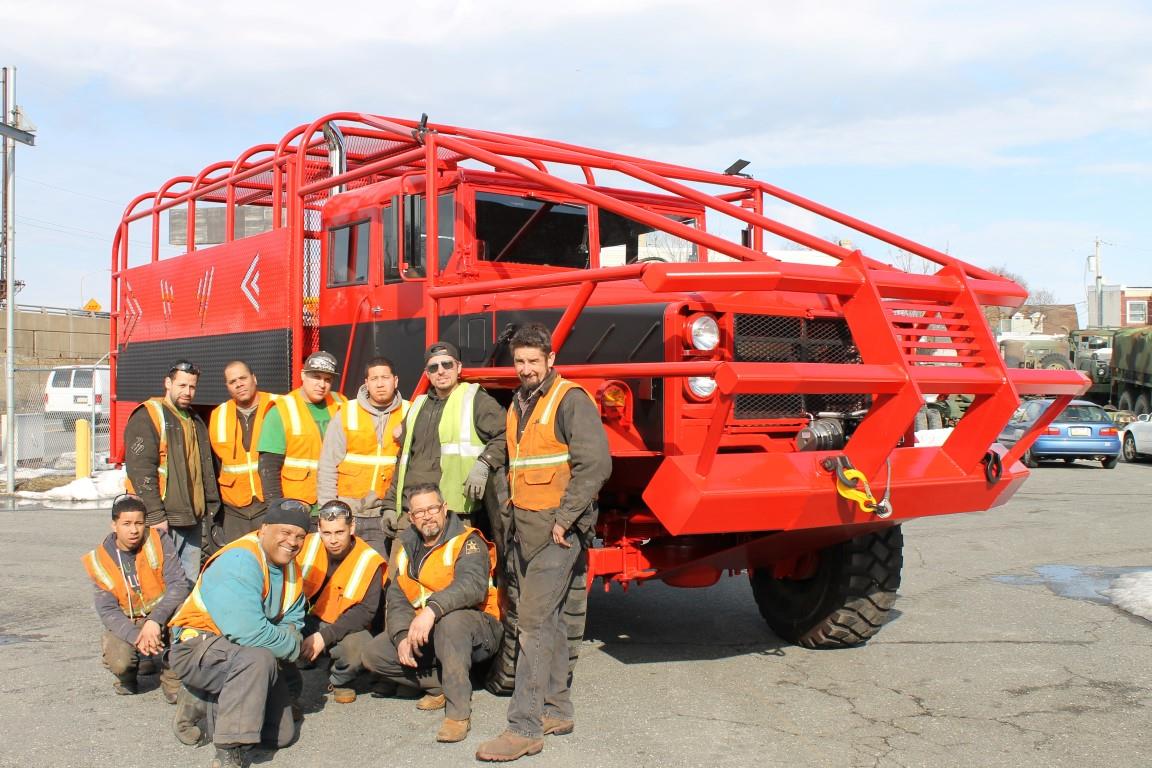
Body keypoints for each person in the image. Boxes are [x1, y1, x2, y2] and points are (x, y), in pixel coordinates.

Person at [476, 324, 611, 762]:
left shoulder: (569, 399)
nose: (527, 368)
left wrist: (566, 519)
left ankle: (525, 726)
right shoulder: (519, 402)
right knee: (548, 622)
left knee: (531, 625)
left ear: (550, 360)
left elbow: (596, 464)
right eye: (520, 362)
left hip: (557, 531)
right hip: (527, 530)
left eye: (535, 361)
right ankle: (555, 707)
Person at [167, 498, 309, 768]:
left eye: (300, 536)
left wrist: (289, 638)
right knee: (259, 659)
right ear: (264, 528)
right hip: (198, 649)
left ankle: (206, 700)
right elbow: (249, 633)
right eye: (285, 532)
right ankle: (229, 748)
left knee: (280, 736)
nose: (292, 542)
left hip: (242, 653)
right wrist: (291, 647)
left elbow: (295, 619)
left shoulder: (291, 567)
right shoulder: (240, 559)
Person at [362, 483, 501, 744]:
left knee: (452, 621)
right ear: (411, 518)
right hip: (430, 632)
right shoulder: (406, 547)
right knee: (374, 654)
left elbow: (471, 586)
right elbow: (398, 597)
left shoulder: (468, 541)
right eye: (420, 512)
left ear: (445, 508)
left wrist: (431, 610)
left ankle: (458, 713)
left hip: (477, 629)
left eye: (433, 508)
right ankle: (439, 683)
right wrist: (402, 635)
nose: (427, 515)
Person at [382, 341, 506, 539]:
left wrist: (485, 463)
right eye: (434, 367)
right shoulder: (417, 406)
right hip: (411, 514)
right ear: (427, 373)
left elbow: (506, 433)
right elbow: (403, 462)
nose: (441, 371)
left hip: (453, 515)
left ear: (459, 367)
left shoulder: (475, 399)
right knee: (401, 570)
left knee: (449, 569)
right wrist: (389, 506)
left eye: (447, 364)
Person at [82, 493, 190, 700]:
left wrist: (155, 621)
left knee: (187, 619)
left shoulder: (159, 540)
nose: (134, 530)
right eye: (126, 523)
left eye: (139, 523)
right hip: (129, 622)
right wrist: (136, 637)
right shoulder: (100, 559)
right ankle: (128, 675)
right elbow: (107, 611)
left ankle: (172, 676)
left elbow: (179, 585)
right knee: (121, 661)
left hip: (162, 616)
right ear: (114, 525)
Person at [124, 359, 221, 583]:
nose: (187, 392)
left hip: (192, 520)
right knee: (162, 584)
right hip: (165, 520)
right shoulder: (148, 415)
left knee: (187, 584)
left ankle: (180, 619)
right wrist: (156, 515)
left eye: (192, 387)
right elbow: (141, 470)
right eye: (182, 386)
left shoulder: (195, 420)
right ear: (168, 383)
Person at [294, 500, 386, 704]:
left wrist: (323, 637)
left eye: (339, 532)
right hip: (304, 619)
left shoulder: (369, 560)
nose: (333, 540)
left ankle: (340, 680)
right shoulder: (304, 545)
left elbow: (365, 613)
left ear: (352, 527)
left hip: (344, 625)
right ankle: (292, 675)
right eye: (326, 533)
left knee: (359, 648)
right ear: (318, 528)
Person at [316, 356, 407, 556]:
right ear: (366, 383)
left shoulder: (410, 412)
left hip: (386, 514)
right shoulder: (347, 412)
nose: (380, 384)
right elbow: (328, 465)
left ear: (396, 381)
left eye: (385, 377)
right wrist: (329, 512)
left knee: (377, 574)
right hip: (348, 514)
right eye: (374, 379)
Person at [257, 351, 347, 519]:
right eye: (316, 377)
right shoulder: (281, 410)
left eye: (328, 379)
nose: (322, 384)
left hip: (334, 505)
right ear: (303, 375)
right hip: (297, 508)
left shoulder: (342, 404)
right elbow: (268, 468)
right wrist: (277, 512)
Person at [209, 361, 279, 546]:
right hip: (234, 509)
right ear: (227, 387)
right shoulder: (218, 415)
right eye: (233, 382)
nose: (239, 384)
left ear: (254, 378)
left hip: (268, 504)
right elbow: (214, 464)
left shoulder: (278, 406)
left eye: (243, 378)